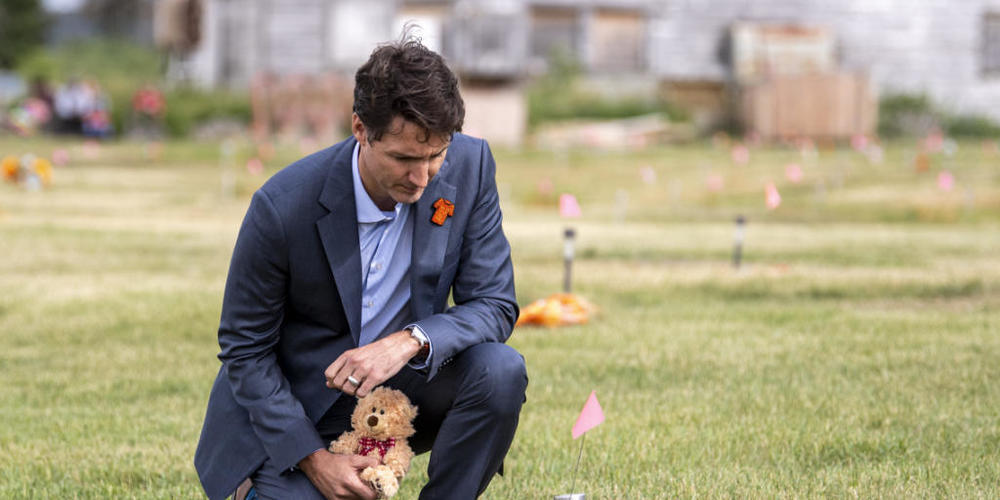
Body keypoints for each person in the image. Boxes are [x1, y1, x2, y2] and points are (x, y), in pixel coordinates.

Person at [194, 36, 527, 500]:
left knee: (500, 369)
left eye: (436, 155)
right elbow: (244, 351)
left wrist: (408, 342)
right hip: (299, 409)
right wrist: (316, 460)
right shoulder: (282, 206)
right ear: (359, 128)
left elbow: (494, 304)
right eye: (404, 159)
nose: (423, 177)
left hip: (401, 393)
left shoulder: (472, 168)